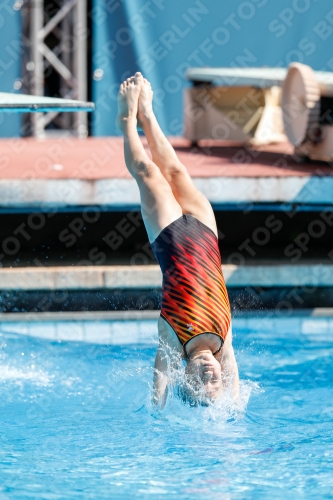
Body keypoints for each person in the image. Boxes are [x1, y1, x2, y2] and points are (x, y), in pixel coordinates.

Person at [117, 72, 239, 408]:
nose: (210, 373)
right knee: (175, 171)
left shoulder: (173, 339)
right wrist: (231, 406)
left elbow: (160, 377)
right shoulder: (223, 342)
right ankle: (148, 115)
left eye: (201, 380)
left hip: (169, 237)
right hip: (206, 235)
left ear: (186, 375)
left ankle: (127, 120)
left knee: (148, 173)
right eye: (216, 379)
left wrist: (157, 409)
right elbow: (234, 381)